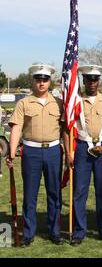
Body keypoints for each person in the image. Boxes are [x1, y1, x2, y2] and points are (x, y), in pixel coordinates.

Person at [7, 63, 63, 247]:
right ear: (33, 81)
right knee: (30, 194)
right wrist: (12, 151)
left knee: (54, 193)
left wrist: (69, 151)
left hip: (54, 151)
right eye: (38, 80)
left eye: (45, 80)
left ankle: (54, 232)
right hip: (31, 152)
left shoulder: (59, 103)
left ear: (50, 82)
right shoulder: (23, 103)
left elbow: (67, 129)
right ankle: (28, 233)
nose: (41, 83)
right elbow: (16, 128)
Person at [64, 65, 102, 247]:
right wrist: (68, 151)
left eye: (95, 79)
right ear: (83, 80)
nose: (92, 83)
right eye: (88, 79)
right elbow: (67, 129)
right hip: (81, 148)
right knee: (79, 192)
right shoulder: (75, 101)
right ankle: (79, 231)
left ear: (99, 81)